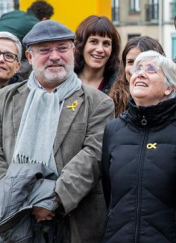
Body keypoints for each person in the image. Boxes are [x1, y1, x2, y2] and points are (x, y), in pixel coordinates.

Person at [0, 20, 114, 242]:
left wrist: (51, 200)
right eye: (44, 50)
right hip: (14, 217)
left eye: (62, 48)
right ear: (30, 58)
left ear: (73, 52)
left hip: (73, 219)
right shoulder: (5, 99)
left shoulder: (98, 103)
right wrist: (18, 199)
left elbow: (92, 156)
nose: (54, 56)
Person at [102, 51, 176, 242]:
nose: (140, 73)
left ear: (169, 88)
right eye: (137, 68)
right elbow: (109, 191)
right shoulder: (113, 130)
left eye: (151, 70)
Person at [109, 36, 165, 117]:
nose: (137, 70)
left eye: (143, 62)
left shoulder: (172, 106)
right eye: (131, 62)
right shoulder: (112, 103)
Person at [0, 0, 54, 79]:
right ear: (44, 19)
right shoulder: (37, 25)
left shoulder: (13, 13)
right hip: (7, 52)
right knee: (31, 57)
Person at [74, 15, 121, 94]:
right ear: (81, 45)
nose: (100, 49)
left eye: (106, 43)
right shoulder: (63, 81)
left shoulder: (120, 87)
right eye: (94, 42)